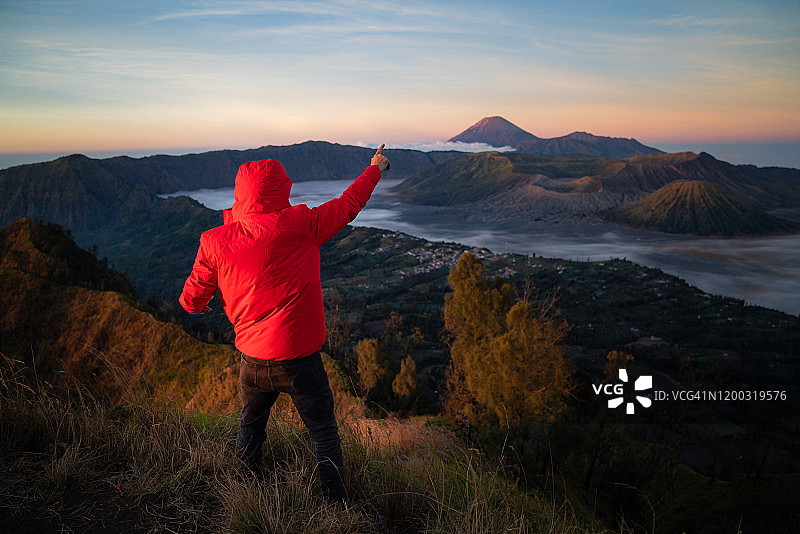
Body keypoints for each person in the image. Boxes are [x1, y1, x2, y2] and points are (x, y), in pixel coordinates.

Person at [179, 145, 391, 503]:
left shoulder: (214, 241)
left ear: (239, 192)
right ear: (282, 188)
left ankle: (244, 495)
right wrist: (374, 169)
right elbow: (348, 204)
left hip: (252, 362)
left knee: (250, 428)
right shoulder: (304, 224)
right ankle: (337, 507)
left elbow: (192, 298)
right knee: (323, 432)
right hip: (300, 361)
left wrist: (201, 308)